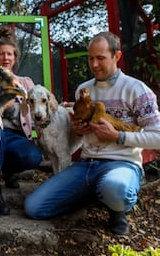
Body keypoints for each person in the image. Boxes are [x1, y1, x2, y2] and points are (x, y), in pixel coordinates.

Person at [24, 31, 160, 235]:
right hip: (85, 165)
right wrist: (78, 130)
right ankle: (93, 194)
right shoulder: (83, 90)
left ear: (117, 56)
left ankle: (118, 208)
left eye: (101, 58)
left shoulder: (137, 90)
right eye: (90, 58)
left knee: (116, 188)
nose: (94, 64)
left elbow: (157, 137)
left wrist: (118, 136)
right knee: (33, 207)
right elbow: (79, 133)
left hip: (121, 163)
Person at [0, 25, 43, 215]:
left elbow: (39, 106)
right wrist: (3, 104)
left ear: (15, 58)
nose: (6, 58)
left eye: (10, 54)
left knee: (33, 157)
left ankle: (9, 170)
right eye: (2, 54)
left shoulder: (26, 82)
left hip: (17, 135)